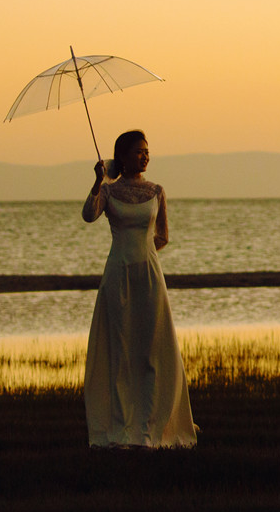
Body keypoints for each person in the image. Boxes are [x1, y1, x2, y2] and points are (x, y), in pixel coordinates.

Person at [81, 129, 197, 449]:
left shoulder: (156, 191)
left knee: (149, 351)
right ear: (122, 156)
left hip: (149, 276)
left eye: (147, 151)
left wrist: (144, 256)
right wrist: (98, 181)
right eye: (138, 151)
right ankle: (121, 429)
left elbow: (163, 237)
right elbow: (89, 215)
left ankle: (147, 429)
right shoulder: (109, 191)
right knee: (120, 352)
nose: (144, 156)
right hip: (117, 274)